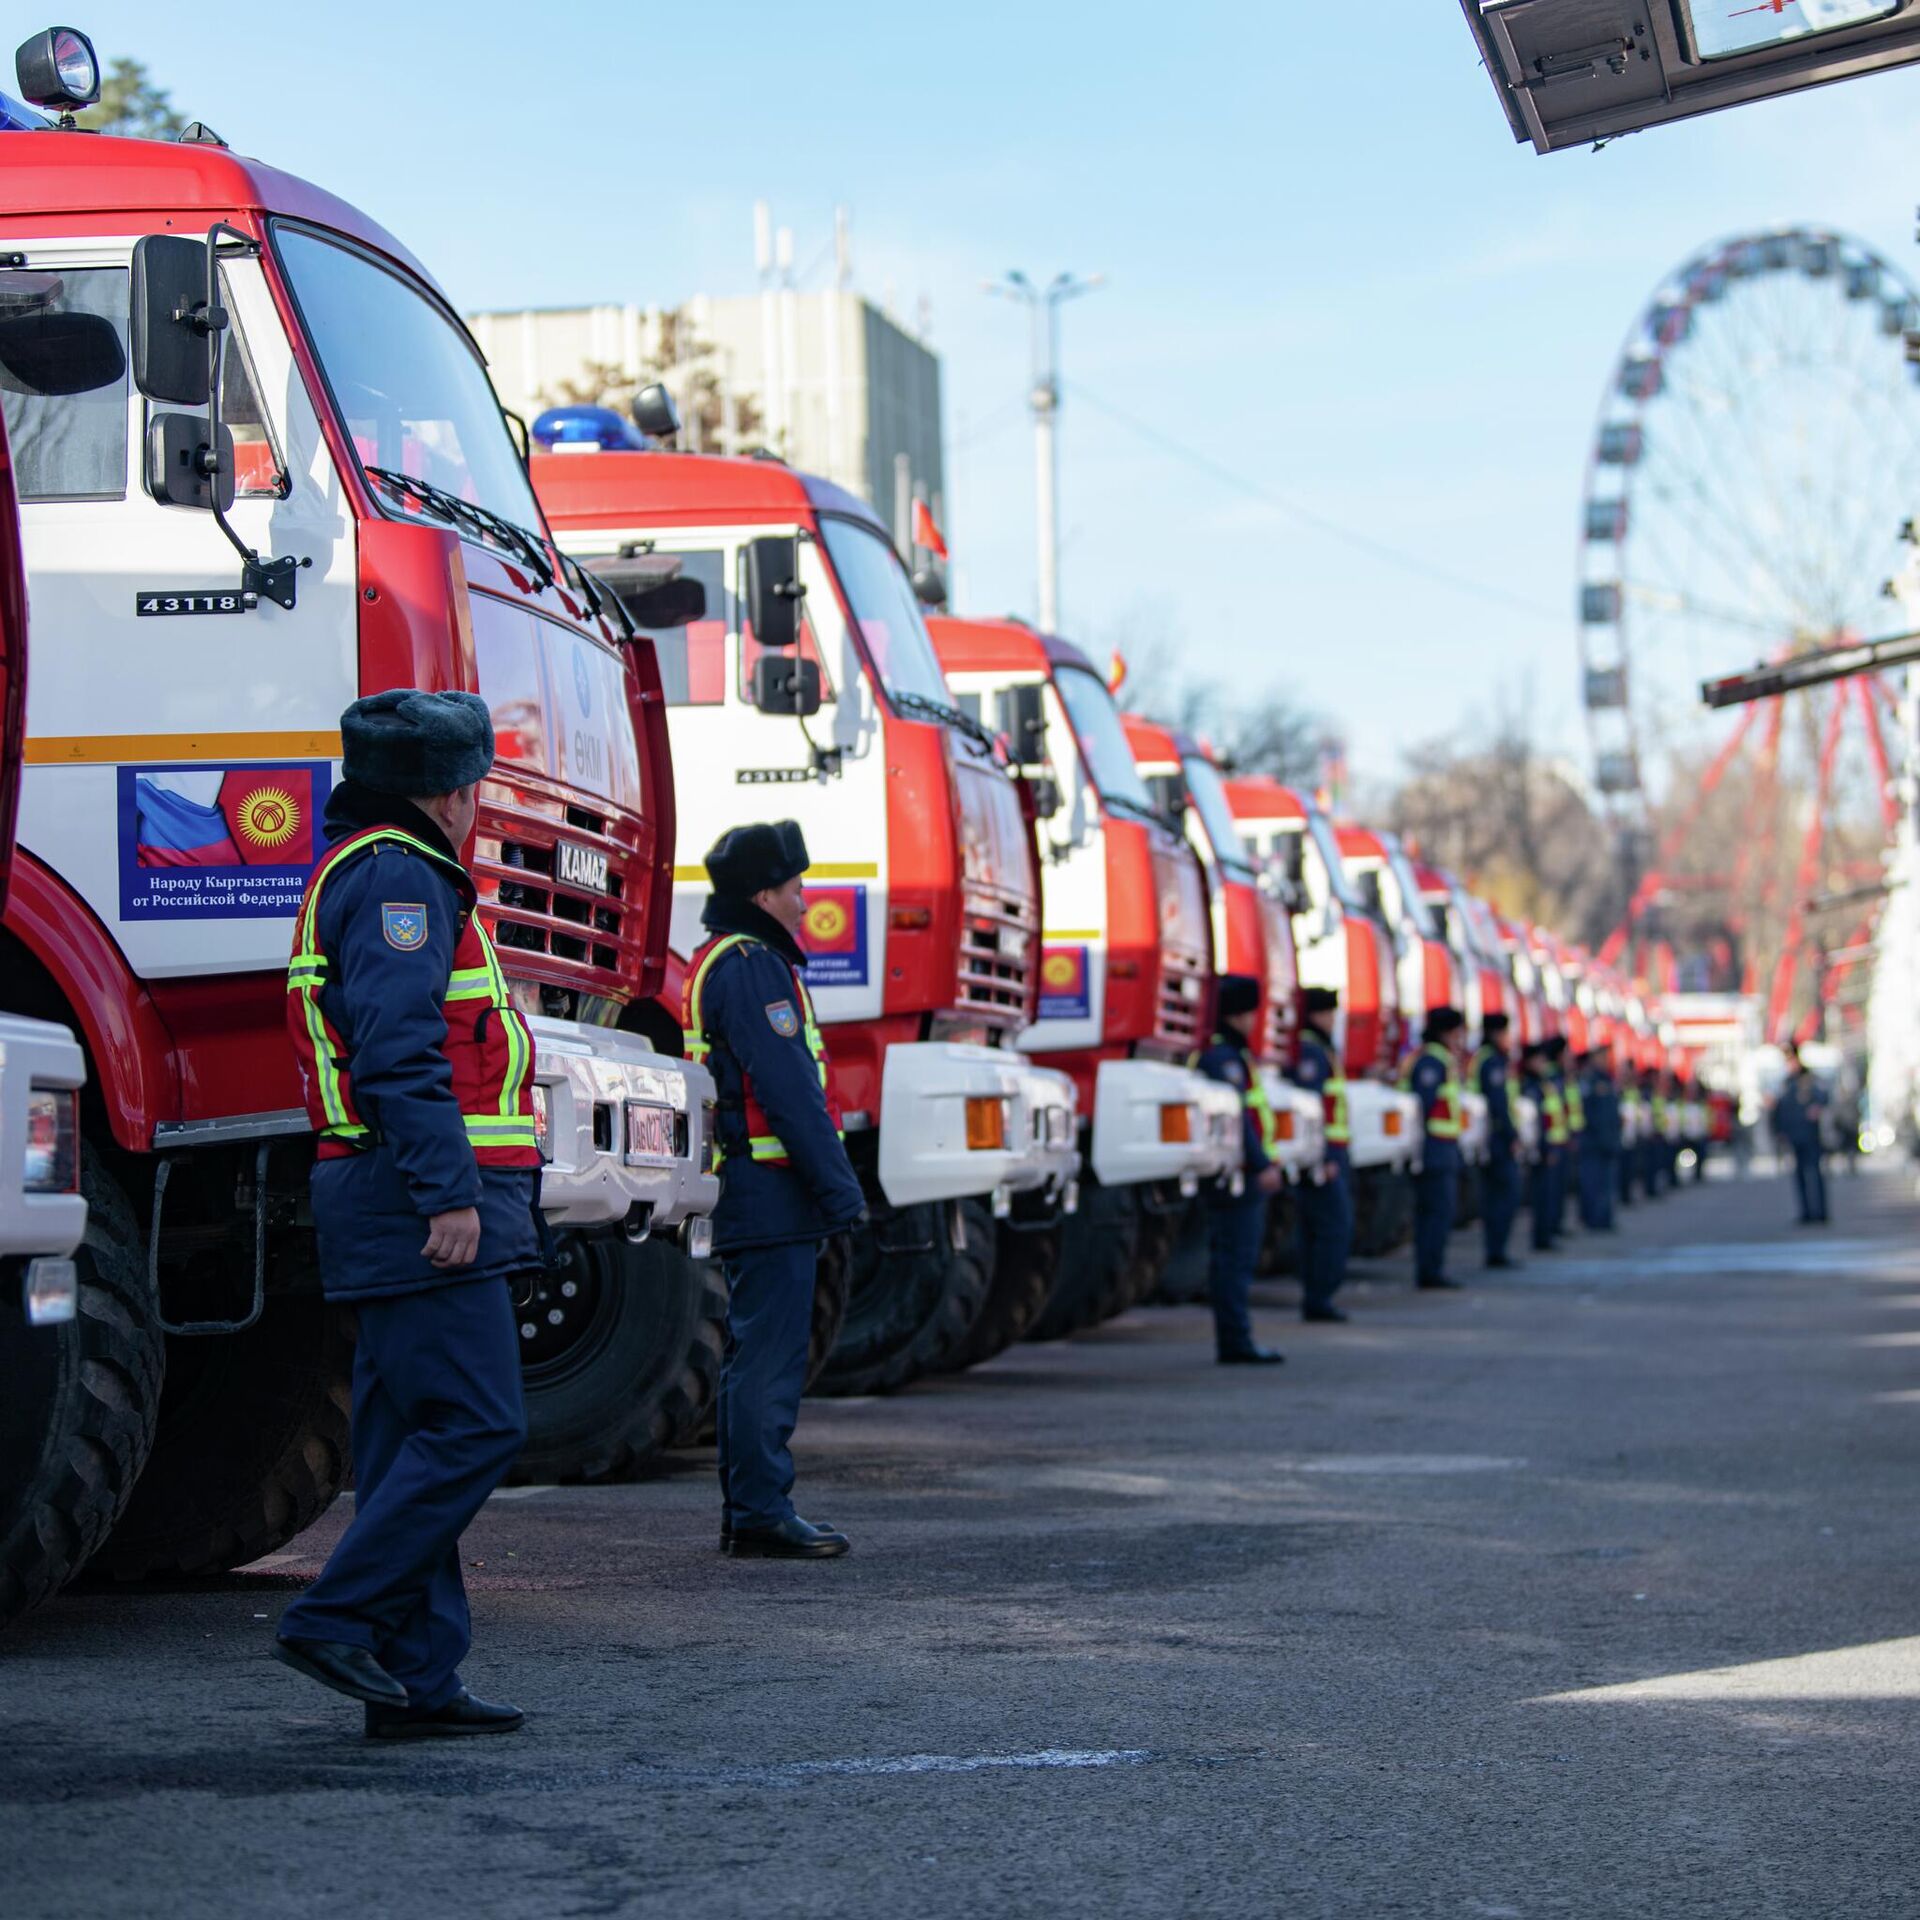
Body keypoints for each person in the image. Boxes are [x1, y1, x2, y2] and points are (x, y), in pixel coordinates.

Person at [273, 688, 539, 1741]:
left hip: (385, 1196)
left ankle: (414, 1679)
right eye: (475, 784)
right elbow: (397, 1049)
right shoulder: (400, 877)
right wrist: (450, 1195)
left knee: (401, 1442)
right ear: (448, 789)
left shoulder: (371, 868)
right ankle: (335, 1616)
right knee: (480, 1424)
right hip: (417, 1202)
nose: (478, 803)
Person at [684, 820, 868, 1555]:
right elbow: (790, 1091)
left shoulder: (731, 960)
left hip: (756, 1185)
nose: (805, 901)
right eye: (795, 888)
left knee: (755, 1352)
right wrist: (842, 1194)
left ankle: (753, 1508)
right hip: (770, 1188)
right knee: (769, 1356)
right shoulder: (753, 966)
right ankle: (760, 1511)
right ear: (763, 894)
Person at [1195, 975, 1288, 1362]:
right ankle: (1235, 1341)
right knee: (1235, 1259)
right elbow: (1240, 1120)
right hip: (1240, 1175)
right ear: (1239, 1014)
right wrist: (1261, 1163)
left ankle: (1236, 1338)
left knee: (1235, 1258)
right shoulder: (1224, 1059)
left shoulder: (1229, 1055)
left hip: (1242, 1172)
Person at [1290, 986, 1353, 1321]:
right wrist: (1325, 1156)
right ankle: (1318, 1298)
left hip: (1330, 1154)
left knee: (1322, 1228)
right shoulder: (1312, 1051)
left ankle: (1317, 1298)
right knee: (1333, 1227)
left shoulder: (1320, 1049)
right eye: (1329, 1013)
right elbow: (1314, 1109)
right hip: (1323, 1157)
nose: (1332, 1020)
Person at [1402, 1007, 1466, 1289]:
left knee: (1439, 1212)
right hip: (1433, 1152)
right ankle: (1429, 1271)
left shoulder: (1439, 1060)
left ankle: (1432, 1268)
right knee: (1434, 1213)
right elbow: (1424, 1106)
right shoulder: (1431, 1062)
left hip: (1442, 1150)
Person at [1471, 1013, 1521, 1270]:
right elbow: (1498, 1103)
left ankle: (1497, 1249)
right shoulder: (1491, 1062)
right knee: (1504, 1195)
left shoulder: (1490, 1059)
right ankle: (1495, 1250)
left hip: (1494, 1138)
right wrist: (1512, 1136)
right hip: (1496, 1139)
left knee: (1500, 1196)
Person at [1771, 1049, 1830, 1226]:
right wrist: (1779, 1131)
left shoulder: (1810, 1079)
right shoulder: (1786, 1083)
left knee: (1815, 1173)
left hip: (1811, 1136)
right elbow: (1779, 1110)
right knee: (1799, 1176)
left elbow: (1824, 1097)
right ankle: (1805, 1212)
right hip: (1794, 1135)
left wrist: (1817, 1108)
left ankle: (1820, 1212)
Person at [1520, 1041, 1561, 1252]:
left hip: (1550, 1146)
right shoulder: (1530, 1086)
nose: (1544, 1064)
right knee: (1541, 1196)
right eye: (1540, 1060)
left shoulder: (1544, 1084)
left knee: (1549, 1195)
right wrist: (1544, 1149)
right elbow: (1534, 1123)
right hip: (1540, 1150)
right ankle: (1540, 1237)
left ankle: (1547, 1234)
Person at [1576, 1049, 1619, 1232]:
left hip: (1607, 1142)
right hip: (1593, 1143)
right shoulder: (1588, 1080)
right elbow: (1588, 1114)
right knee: (1592, 1183)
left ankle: (1605, 1218)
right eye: (1601, 1057)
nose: (1605, 1060)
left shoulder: (1607, 1079)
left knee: (1607, 1183)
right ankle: (1593, 1219)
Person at [1547, 1036, 1581, 1236]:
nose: (1570, 1058)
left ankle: (1557, 1224)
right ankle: (1551, 1226)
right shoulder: (1552, 1077)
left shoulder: (1564, 1077)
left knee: (1561, 1187)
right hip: (1555, 1140)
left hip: (1565, 1138)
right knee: (1551, 1189)